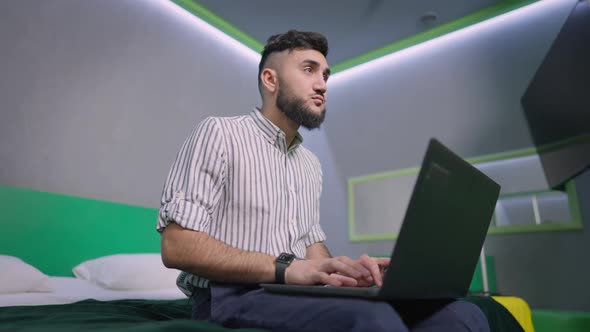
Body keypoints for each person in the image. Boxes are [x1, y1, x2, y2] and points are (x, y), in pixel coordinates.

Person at [156, 30, 490, 331]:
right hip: (230, 296)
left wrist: (345, 272)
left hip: (295, 293)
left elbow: (311, 246)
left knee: (462, 314)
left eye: (326, 75)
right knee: (374, 320)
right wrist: (287, 268)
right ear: (270, 79)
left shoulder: (309, 163)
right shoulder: (219, 133)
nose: (322, 84)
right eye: (308, 69)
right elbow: (177, 246)